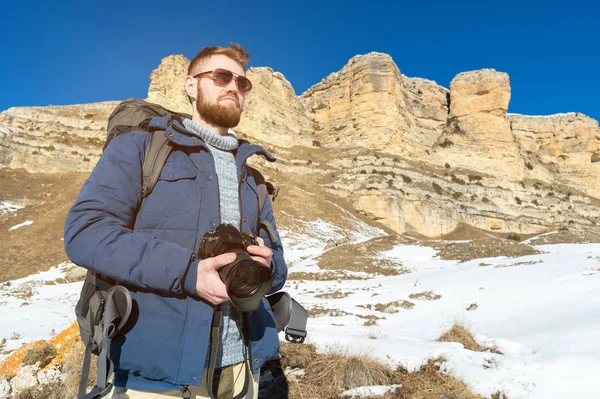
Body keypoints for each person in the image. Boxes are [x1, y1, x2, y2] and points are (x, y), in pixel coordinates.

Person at [64, 43, 287, 399]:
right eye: (221, 76)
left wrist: (268, 265)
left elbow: (278, 267)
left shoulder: (253, 178)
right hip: (156, 377)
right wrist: (187, 273)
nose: (234, 87)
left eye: (242, 84)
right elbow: (85, 231)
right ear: (190, 86)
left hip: (244, 371)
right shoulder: (142, 148)